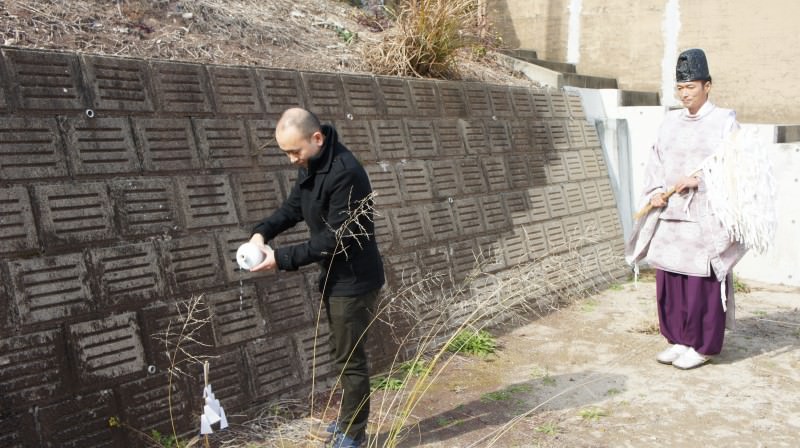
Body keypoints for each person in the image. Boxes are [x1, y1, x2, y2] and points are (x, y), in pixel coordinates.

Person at [248, 107, 385, 447]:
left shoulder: (345, 173)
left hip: (354, 281)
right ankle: (347, 423)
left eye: (295, 151)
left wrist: (281, 258)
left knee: (350, 360)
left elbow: (334, 239)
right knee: (341, 352)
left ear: (317, 138)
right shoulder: (313, 164)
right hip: (335, 278)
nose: (292, 159)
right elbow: (293, 208)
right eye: (286, 153)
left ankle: (353, 436)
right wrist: (260, 234)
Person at [625, 49, 748, 370]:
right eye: (680, 88)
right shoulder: (669, 123)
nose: (685, 93)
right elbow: (656, 162)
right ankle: (678, 338)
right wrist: (654, 193)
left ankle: (703, 345)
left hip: (703, 219)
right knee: (670, 280)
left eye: (691, 87)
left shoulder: (725, 122)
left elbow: (736, 169)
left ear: (707, 86)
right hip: (670, 216)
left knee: (700, 286)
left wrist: (699, 181)